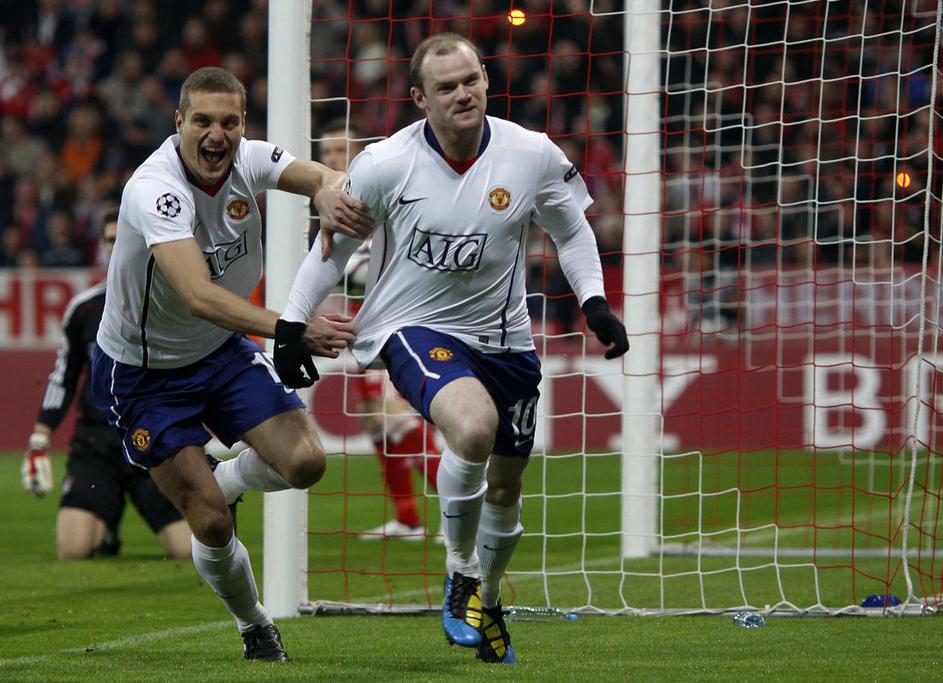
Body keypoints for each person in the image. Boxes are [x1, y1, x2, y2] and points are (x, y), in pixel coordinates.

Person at [278, 35, 628, 664]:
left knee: (505, 486)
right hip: (411, 328)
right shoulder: (385, 164)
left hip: (506, 340)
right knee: (472, 426)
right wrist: (291, 324)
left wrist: (594, 301)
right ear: (419, 99)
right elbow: (328, 252)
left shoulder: (531, 154)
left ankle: (487, 599)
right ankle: (460, 570)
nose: (462, 93)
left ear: (486, 80)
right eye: (446, 86)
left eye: (470, 79)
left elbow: (571, 229)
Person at [89, 67, 373, 662]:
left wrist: (324, 188)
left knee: (306, 462)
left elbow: (324, 173)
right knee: (213, 524)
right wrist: (293, 330)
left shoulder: (251, 159)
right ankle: (255, 625)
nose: (216, 136)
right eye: (202, 122)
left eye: (229, 122)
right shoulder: (155, 189)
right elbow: (198, 295)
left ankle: (233, 475)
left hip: (218, 352)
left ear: (243, 125)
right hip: (144, 374)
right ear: (179, 124)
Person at [21, 209, 192, 561]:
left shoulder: (171, 302)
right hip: (97, 445)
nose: (117, 246)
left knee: (189, 549)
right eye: (111, 239)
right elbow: (63, 376)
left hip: (152, 442)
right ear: (103, 246)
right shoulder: (83, 309)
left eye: (124, 238)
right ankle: (106, 524)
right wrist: (40, 436)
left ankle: (114, 519)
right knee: (72, 549)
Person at [320, 119, 442, 541]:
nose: (332, 159)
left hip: (398, 326)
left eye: (340, 151)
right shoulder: (332, 206)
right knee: (376, 424)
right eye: (327, 152)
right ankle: (408, 518)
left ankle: (467, 508)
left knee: (399, 420)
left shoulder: (381, 198)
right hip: (362, 330)